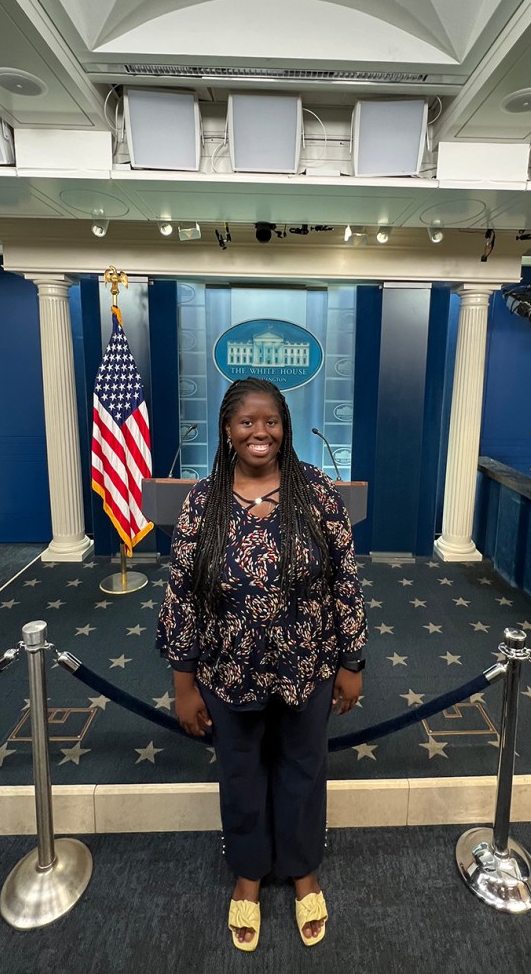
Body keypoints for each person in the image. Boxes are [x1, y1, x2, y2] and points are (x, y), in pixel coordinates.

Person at [157, 377, 367, 951]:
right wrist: (184, 684)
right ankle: (248, 875)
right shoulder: (204, 501)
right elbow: (182, 596)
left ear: (285, 427)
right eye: (247, 422)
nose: (260, 432)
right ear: (228, 430)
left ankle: (303, 873)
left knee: (304, 767)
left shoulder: (318, 493)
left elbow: (346, 581)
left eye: (270, 421)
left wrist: (352, 660)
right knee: (241, 772)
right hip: (230, 670)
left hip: (308, 665)